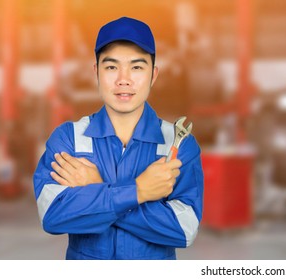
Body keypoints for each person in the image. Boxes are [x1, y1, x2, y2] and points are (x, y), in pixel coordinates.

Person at [32, 17, 203, 260]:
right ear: (96, 72)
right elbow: (52, 216)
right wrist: (139, 191)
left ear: (153, 75)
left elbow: (184, 230)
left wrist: (97, 190)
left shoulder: (178, 144)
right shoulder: (68, 139)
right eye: (111, 67)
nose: (124, 79)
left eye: (137, 67)